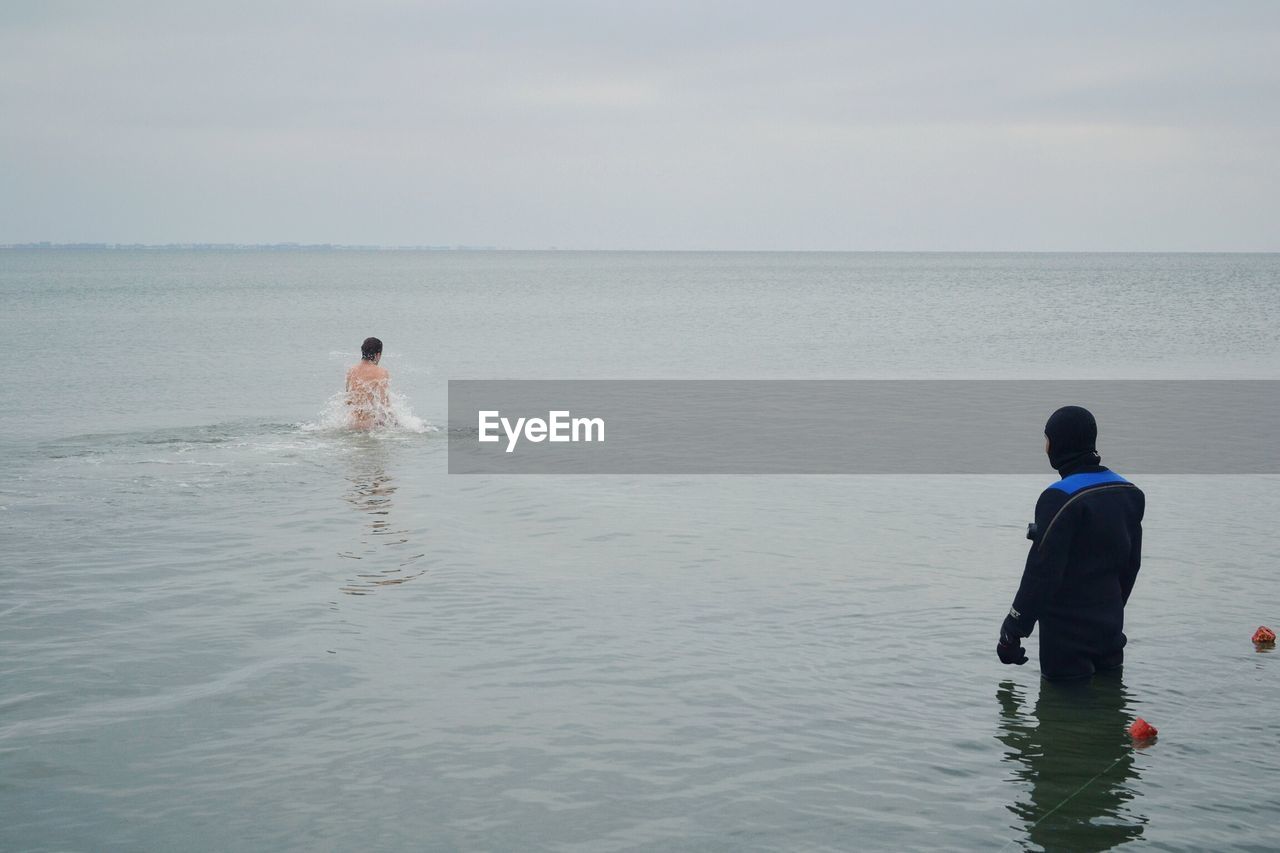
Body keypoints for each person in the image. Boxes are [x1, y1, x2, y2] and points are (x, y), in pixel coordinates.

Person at [997, 405, 1145, 679]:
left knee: (1063, 712)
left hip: (1066, 641)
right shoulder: (1129, 492)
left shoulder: (1059, 497)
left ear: (1059, 443)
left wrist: (1013, 629)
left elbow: (1042, 571)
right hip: (1110, 631)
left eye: (1047, 439)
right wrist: (1110, 611)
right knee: (1110, 712)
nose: (1045, 447)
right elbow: (1131, 565)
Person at [345, 337, 390, 430]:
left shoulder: (351, 371)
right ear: (378, 355)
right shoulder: (381, 372)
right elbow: (384, 403)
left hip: (352, 425)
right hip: (370, 426)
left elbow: (349, 400)